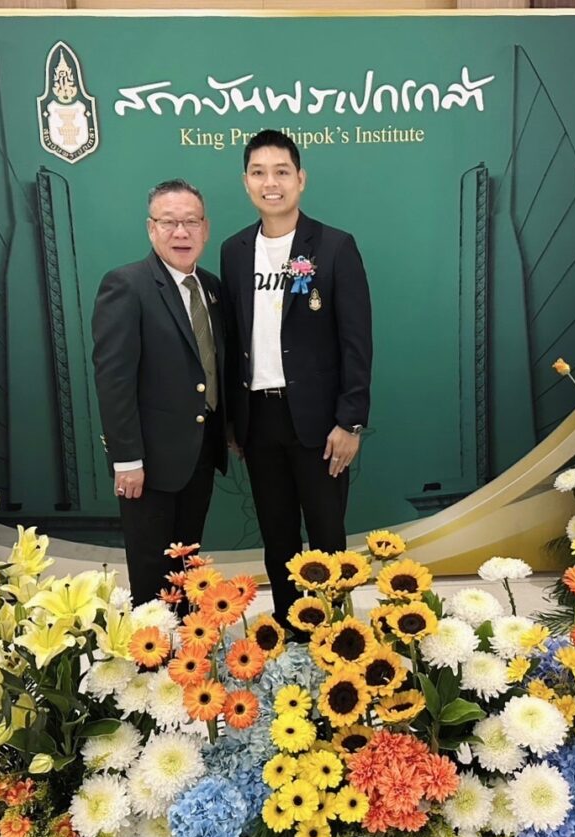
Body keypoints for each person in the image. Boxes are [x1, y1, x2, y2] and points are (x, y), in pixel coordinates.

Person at [219, 129, 372, 627]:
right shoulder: (234, 250)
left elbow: (356, 341)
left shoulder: (334, 246)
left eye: (281, 172)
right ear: (246, 182)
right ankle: (290, 629)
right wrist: (234, 422)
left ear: (300, 179)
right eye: (259, 173)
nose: (271, 183)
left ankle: (335, 637)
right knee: (278, 535)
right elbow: (232, 339)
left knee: (326, 536)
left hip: (320, 422)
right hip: (258, 420)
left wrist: (350, 421)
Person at [92, 179, 227, 605]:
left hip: (200, 454)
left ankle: (188, 641)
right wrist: (126, 459)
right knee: (153, 576)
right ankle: (153, 646)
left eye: (191, 222)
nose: (181, 232)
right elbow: (114, 379)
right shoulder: (126, 285)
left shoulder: (212, 287)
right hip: (147, 464)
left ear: (206, 228)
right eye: (169, 222)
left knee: (188, 568)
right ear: (151, 229)